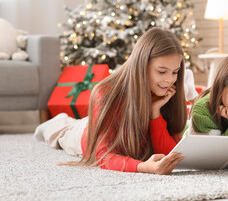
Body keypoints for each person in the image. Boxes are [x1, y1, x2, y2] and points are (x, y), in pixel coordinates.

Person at [34, 27, 188, 174]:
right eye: (162, 71)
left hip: (108, 127)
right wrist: (143, 167)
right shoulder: (106, 93)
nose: (169, 80)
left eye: (175, 72)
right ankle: (57, 121)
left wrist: (155, 114)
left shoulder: (168, 94)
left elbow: (171, 154)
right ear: (141, 65)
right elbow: (103, 155)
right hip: (86, 134)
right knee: (59, 130)